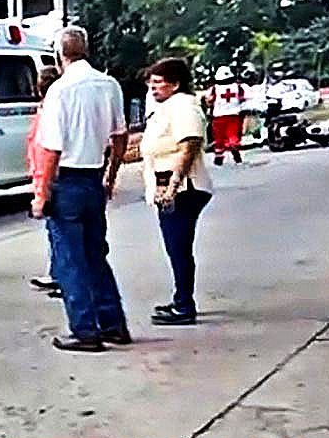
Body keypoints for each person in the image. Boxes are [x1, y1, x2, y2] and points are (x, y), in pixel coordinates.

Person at [31, 26, 131, 352]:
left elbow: (52, 149)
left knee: (70, 261)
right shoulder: (109, 85)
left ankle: (85, 329)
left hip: (68, 181)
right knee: (96, 256)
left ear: (60, 55)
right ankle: (113, 323)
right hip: (94, 177)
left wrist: (42, 194)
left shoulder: (60, 91)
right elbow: (120, 137)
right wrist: (111, 176)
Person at [141, 58, 213, 325]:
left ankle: (184, 305)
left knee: (179, 246)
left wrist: (172, 186)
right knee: (176, 247)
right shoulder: (167, 107)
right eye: (152, 83)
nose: (154, 88)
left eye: (159, 83)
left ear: (176, 84)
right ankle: (181, 298)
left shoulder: (184, 107)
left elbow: (189, 145)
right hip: (170, 187)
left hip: (184, 188)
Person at [27, 66, 62, 295]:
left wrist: (42, 190)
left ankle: (62, 277)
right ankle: (57, 274)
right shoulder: (47, 109)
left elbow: (48, 150)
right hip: (44, 173)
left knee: (59, 232)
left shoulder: (51, 111)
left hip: (50, 176)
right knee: (55, 232)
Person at [205, 66, 245, 165]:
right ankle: (234, 147)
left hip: (218, 117)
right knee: (233, 134)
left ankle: (219, 157)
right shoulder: (238, 87)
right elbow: (242, 99)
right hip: (234, 115)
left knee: (219, 138)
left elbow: (210, 101)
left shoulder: (215, 89)